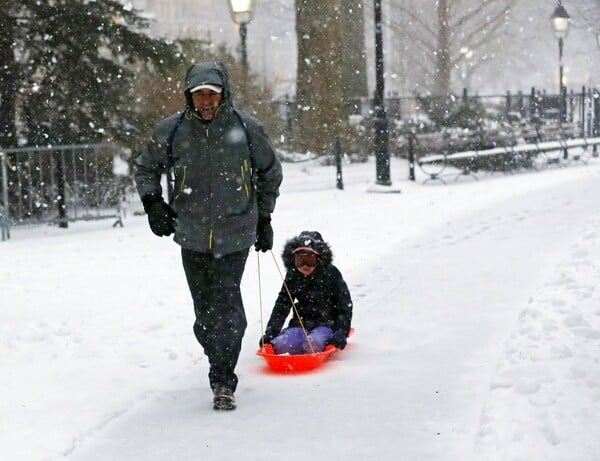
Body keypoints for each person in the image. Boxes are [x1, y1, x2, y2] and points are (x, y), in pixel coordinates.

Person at [134, 61, 282, 411]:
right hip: (191, 233)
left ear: (223, 94)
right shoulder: (172, 131)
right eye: (198, 94)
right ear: (189, 95)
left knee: (227, 304)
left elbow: (269, 172)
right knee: (204, 313)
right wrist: (153, 202)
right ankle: (218, 354)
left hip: (236, 232)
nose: (204, 102)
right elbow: (146, 167)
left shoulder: (246, 129)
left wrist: (264, 217)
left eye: (211, 95)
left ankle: (222, 377)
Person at [260, 231, 353, 355]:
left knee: (313, 344)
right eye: (300, 260)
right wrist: (271, 333)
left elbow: (344, 306)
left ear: (319, 259)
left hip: (326, 324)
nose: (305, 266)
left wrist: (341, 332)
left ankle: (313, 342)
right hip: (301, 324)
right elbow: (282, 305)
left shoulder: (331, 274)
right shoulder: (293, 276)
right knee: (281, 346)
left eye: (309, 260)